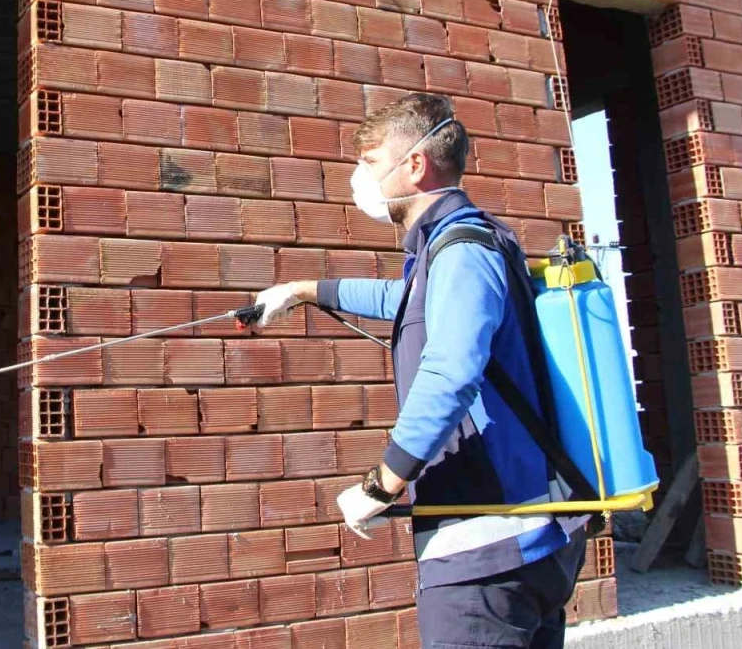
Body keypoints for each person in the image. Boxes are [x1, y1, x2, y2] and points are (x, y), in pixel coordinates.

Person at [251, 92, 589, 649]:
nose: (359, 180)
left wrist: (383, 482)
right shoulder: (467, 242)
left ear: (415, 166)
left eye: (369, 162)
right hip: (524, 541)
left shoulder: (461, 247)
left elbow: (452, 371)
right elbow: (405, 299)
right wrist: (304, 290)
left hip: (488, 554)